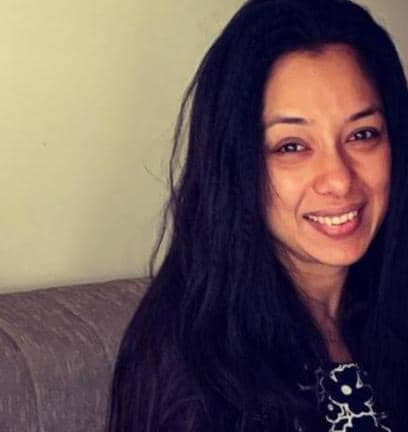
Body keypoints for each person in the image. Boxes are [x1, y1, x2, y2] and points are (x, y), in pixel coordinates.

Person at [108, 0, 408, 431]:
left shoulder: (389, 303)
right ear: (237, 164)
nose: (340, 180)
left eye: (362, 134)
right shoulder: (192, 367)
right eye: (291, 146)